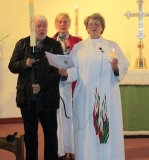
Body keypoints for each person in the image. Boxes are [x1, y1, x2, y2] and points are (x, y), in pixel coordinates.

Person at [58, 13, 129, 160]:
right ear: (87, 28)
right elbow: (73, 71)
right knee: (88, 132)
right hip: (85, 98)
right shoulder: (79, 48)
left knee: (104, 132)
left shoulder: (112, 46)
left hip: (106, 97)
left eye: (97, 24)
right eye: (91, 24)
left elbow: (123, 65)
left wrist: (116, 68)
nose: (94, 26)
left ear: (102, 28)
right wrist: (65, 73)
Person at [8, 15, 63, 160]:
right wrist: (24, 64)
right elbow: (12, 65)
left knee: (50, 133)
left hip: (48, 98)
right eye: (39, 26)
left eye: (44, 25)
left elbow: (58, 72)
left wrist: (41, 86)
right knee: (30, 134)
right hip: (27, 98)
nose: (42, 28)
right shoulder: (22, 44)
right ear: (32, 28)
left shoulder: (54, 46)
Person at [53, 13, 82, 160]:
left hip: (73, 83)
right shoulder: (50, 41)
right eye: (59, 22)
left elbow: (81, 63)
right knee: (59, 119)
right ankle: (60, 150)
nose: (62, 24)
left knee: (73, 118)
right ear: (56, 24)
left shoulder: (79, 41)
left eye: (65, 21)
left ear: (69, 23)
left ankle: (74, 149)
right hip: (57, 85)